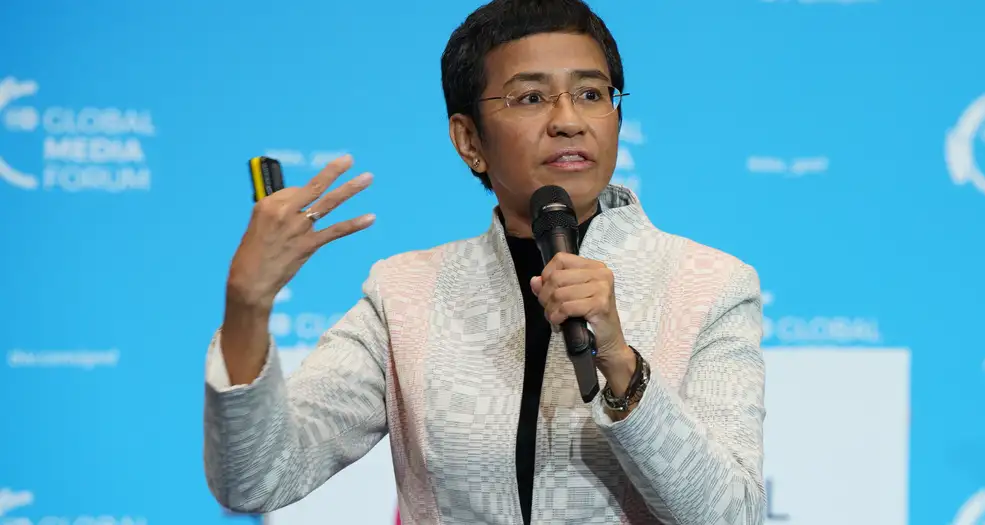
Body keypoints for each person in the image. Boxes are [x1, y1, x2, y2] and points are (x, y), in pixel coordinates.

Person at [203, 1, 767, 523]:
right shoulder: (406, 294)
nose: (568, 119)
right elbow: (256, 479)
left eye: (591, 94)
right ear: (469, 139)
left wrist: (620, 362)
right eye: (531, 98)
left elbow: (732, 516)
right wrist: (247, 305)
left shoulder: (708, 285)